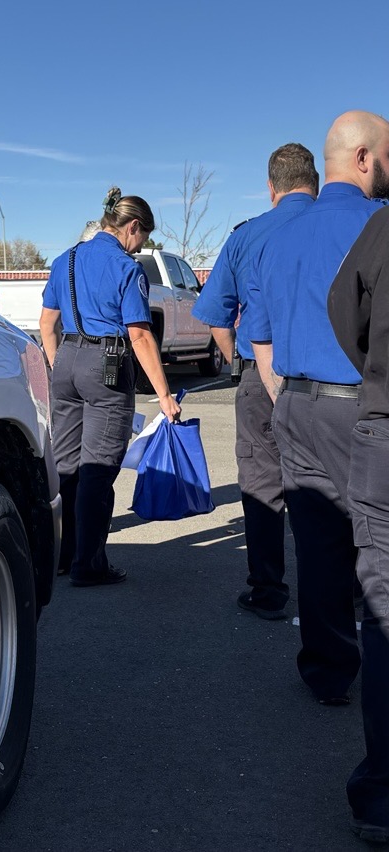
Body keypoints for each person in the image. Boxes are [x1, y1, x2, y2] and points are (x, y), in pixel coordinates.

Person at [247, 110, 389, 706]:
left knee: (318, 543)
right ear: (362, 158)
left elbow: (258, 333)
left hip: (295, 406)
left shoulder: (274, 238)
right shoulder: (377, 225)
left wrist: (284, 398)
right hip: (360, 409)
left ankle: (329, 671)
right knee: (375, 551)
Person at [191, 143, 319, 620]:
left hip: (257, 375)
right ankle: (343, 590)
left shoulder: (247, 237)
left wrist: (237, 364)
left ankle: (268, 591)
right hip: (331, 381)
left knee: (263, 483)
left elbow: (217, 317)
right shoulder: (341, 225)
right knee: (331, 487)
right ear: (315, 180)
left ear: (271, 188)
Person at [40, 187, 181, 587]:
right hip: (107, 365)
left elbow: (47, 323)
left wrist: (59, 367)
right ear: (132, 227)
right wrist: (166, 396)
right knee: (98, 471)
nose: (141, 247)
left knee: (67, 467)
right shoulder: (126, 269)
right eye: (144, 239)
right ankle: (90, 564)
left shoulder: (64, 260)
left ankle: (61, 558)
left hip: (65, 361)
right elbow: (139, 336)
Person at [328, 205, 389, 843]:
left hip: (384, 426)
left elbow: (345, 311)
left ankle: (382, 798)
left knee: (383, 607)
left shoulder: (383, 228)